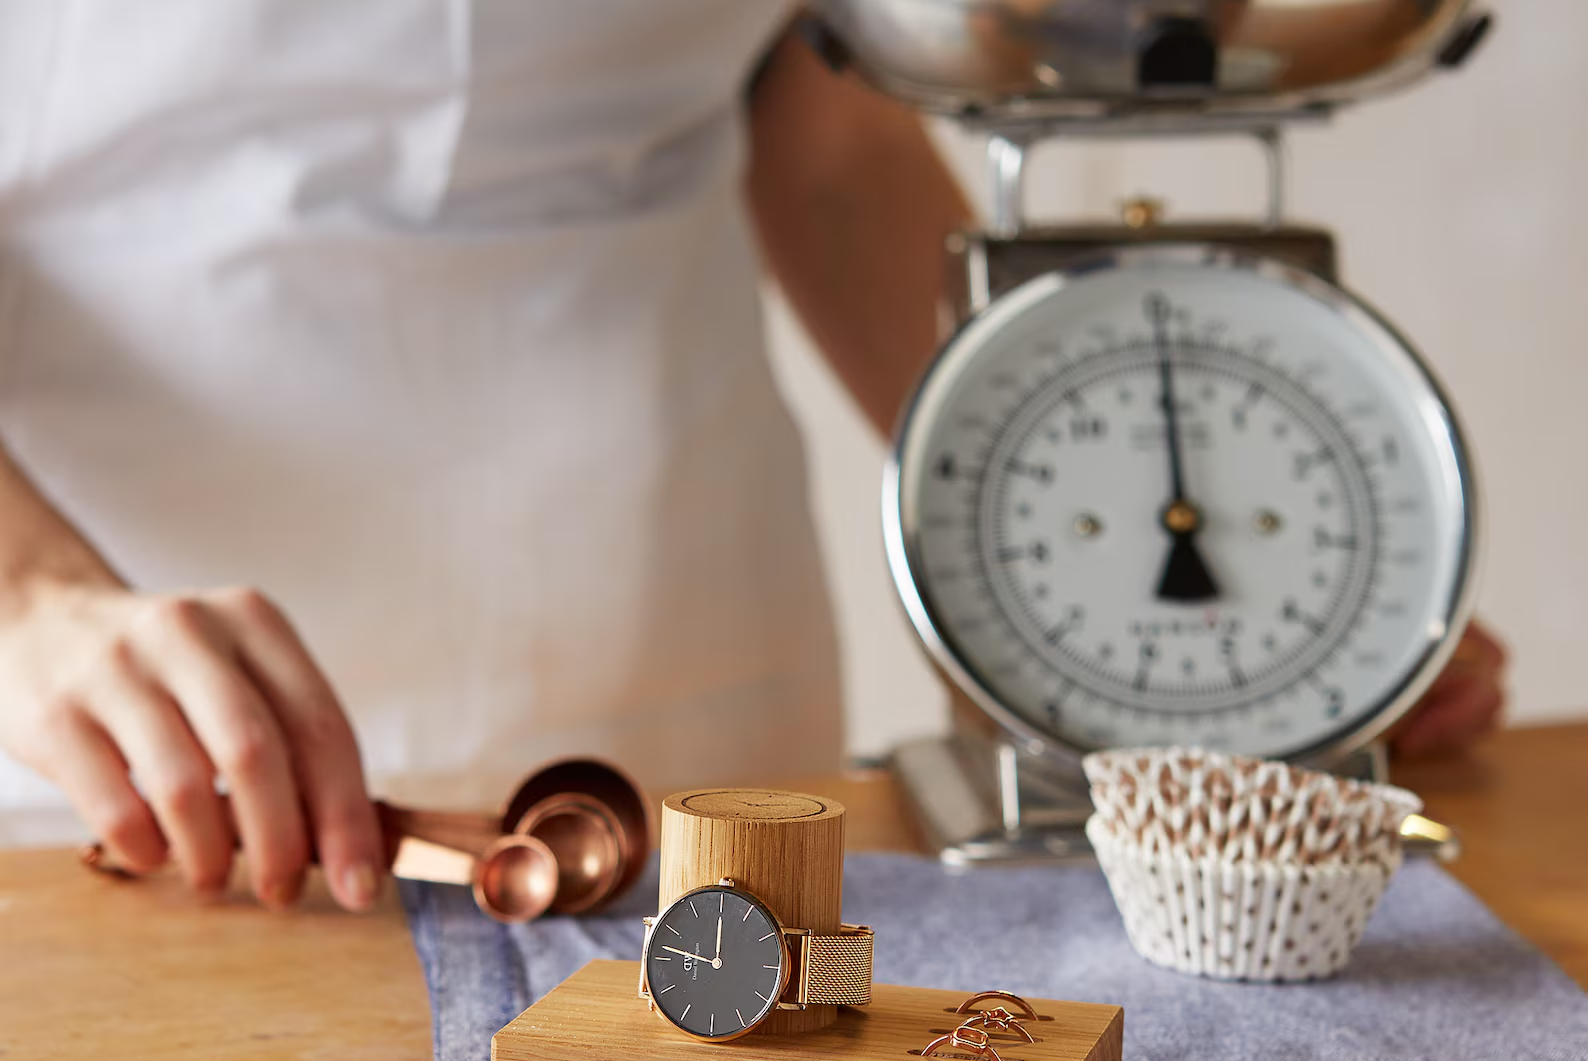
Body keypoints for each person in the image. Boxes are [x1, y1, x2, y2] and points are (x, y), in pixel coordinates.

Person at [0, 9, 1502, 914]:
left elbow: (824, 136)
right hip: (127, 754)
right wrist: (30, 604)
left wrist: (1187, 627)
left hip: (696, 684)